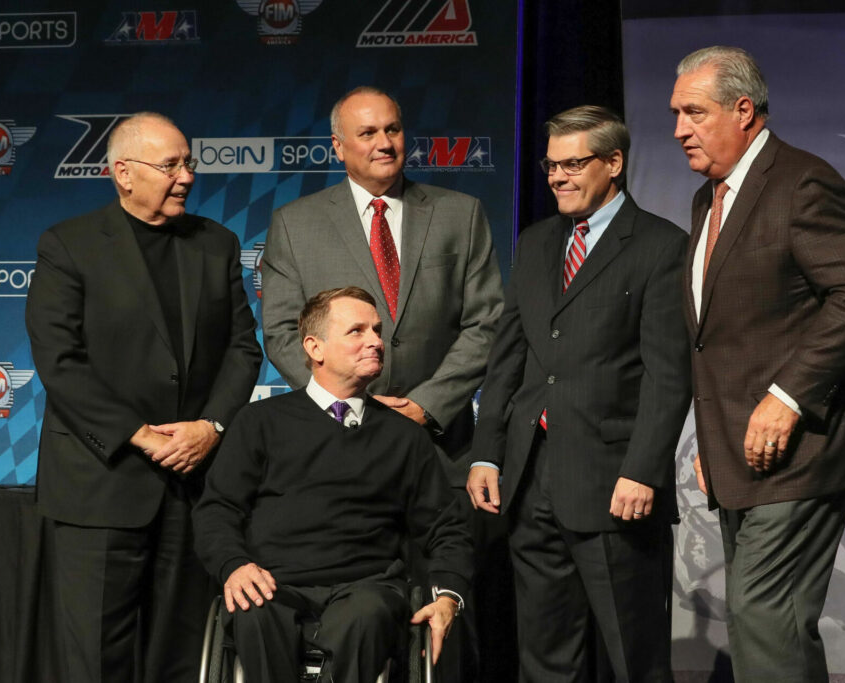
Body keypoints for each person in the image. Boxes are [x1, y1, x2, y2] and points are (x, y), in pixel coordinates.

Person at [259, 85, 505, 679]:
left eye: (392, 129)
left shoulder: (459, 212)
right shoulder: (295, 224)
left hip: (439, 448)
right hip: (337, 451)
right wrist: (352, 410)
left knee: (441, 617)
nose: (384, 143)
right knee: (360, 617)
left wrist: (423, 405)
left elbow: (486, 323)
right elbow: (284, 333)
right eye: (367, 133)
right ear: (339, 146)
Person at [669, 46, 845, 682]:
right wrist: (710, 443)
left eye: (693, 112)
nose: (679, 128)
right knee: (773, 627)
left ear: (744, 111)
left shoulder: (802, 182)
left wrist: (788, 396)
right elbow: (719, 339)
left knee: (763, 617)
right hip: (737, 454)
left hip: (802, 449)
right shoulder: (706, 200)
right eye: (676, 113)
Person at [25, 112, 262, 683]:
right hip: (100, 485)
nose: (186, 175)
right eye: (171, 164)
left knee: (183, 654)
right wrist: (140, 434)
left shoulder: (217, 243)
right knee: (97, 660)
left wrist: (212, 427)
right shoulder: (69, 245)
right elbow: (60, 362)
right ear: (123, 174)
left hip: (193, 485)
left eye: (189, 162)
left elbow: (242, 349)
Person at [466, 105, 691, 682]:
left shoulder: (661, 246)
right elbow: (508, 358)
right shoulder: (537, 241)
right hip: (530, 482)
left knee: (633, 657)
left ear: (614, 163)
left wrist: (643, 470)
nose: (558, 177)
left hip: (616, 486)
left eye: (574, 164)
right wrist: (487, 451)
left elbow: (668, 376)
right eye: (551, 165)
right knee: (544, 657)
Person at [193, 287, 472, 683]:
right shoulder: (259, 423)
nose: (376, 341)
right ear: (315, 347)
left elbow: (446, 527)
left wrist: (448, 596)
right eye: (357, 331)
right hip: (274, 580)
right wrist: (233, 565)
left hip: (367, 586)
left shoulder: (404, 437)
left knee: (365, 617)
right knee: (253, 609)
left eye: (376, 330)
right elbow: (216, 510)